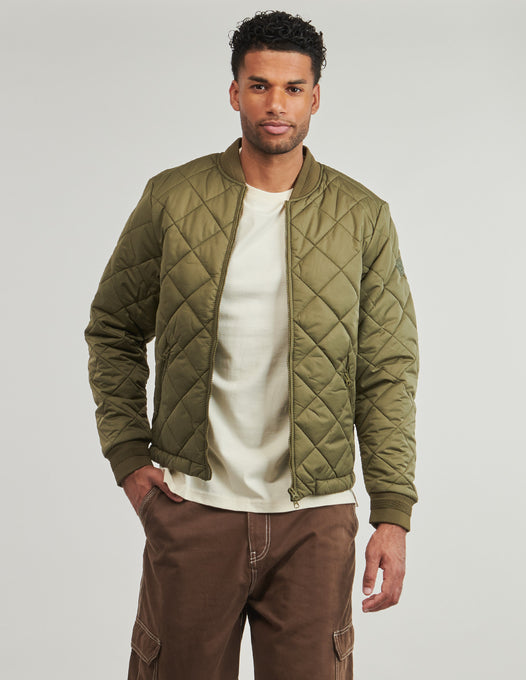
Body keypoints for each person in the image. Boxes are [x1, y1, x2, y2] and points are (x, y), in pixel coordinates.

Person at [84, 10, 419, 680]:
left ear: (315, 98)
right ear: (235, 91)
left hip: (313, 522)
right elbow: (114, 329)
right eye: (260, 85)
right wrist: (128, 458)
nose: (276, 105)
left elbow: (386, 370)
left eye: (293, 88)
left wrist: (392, 512)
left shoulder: (362, 217)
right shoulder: (173, 199)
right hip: (192, 509)